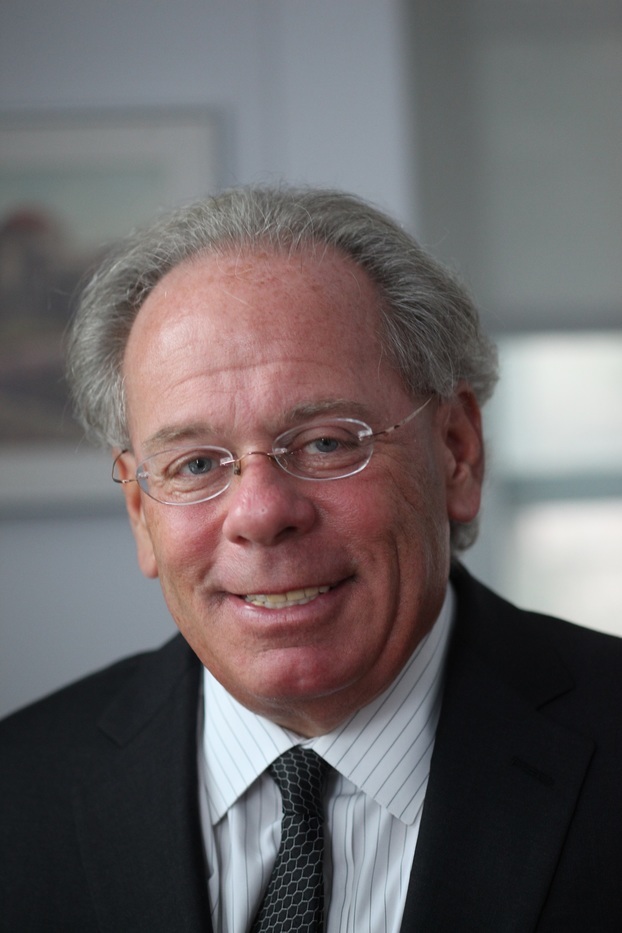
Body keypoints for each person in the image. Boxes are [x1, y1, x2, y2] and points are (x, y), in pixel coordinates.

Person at [1, 186, 620, 933]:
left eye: (327, 441)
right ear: (140, 510)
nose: (261, 515)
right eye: (195, 464)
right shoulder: (18, 792)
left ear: (457, 452)